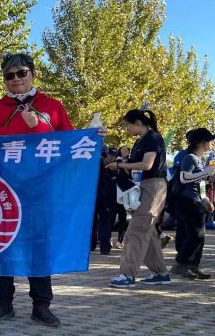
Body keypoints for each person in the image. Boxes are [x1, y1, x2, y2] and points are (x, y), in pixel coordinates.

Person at [0, 52, 76, 327]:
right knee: (2, 245)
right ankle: (3, 303)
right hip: (4, 188)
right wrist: (26, 130)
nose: (16, 79)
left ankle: (41, 305)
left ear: (33, 74)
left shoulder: (52, 106)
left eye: (22, 73)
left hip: (40, 190)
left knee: (38, 246)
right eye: (9, 75)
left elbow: (69, 143)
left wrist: (39, 127)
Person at [106, 109, 171, 288]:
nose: (127, 129)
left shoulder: (153, 137)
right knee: (146, 231)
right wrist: (121, 164)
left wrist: (120, 165)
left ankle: (127, 274)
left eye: (128, 125)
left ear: (138, 123)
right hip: (143, 186)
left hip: (154, 186)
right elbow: (134, 166)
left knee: (136, 231)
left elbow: (147, 164)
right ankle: (160, 273)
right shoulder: (140, 141)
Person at [169, 128, 214, 280]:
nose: (212, 143)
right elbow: (184, 177)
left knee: (199, 235)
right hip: (186, 200)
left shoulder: (198, 159)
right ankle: (181, 264)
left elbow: (199, 183)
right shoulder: (190, 158)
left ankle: (193, 265)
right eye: (210, 140)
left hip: (195, 200)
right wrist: (206, 172)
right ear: (202, 142)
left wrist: (205, 200)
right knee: (195, 234)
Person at [92, 147, 119, 255]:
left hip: (108, 198)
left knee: (106, 223)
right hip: (96, 195)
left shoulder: (115, 166)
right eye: (109, 155)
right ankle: (91, 244)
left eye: (114, 155)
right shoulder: (96, 163)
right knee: (93, 221)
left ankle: (105, 247)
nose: (111, 157)